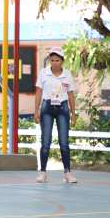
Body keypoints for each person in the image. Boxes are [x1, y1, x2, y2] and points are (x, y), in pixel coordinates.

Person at [34, 46, 78, 183]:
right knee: (45, 142)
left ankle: (67, 173)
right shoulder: (43, 73)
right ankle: (43, 172)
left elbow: (70, 95)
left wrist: (73, 113)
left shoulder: (68, 75)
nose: (54, 62)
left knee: (64, 142)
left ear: (62, 61)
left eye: (57, 60)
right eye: (52, 60)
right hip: (47, 107)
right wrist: (36, 111)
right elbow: (39, 93)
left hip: (63, 108)